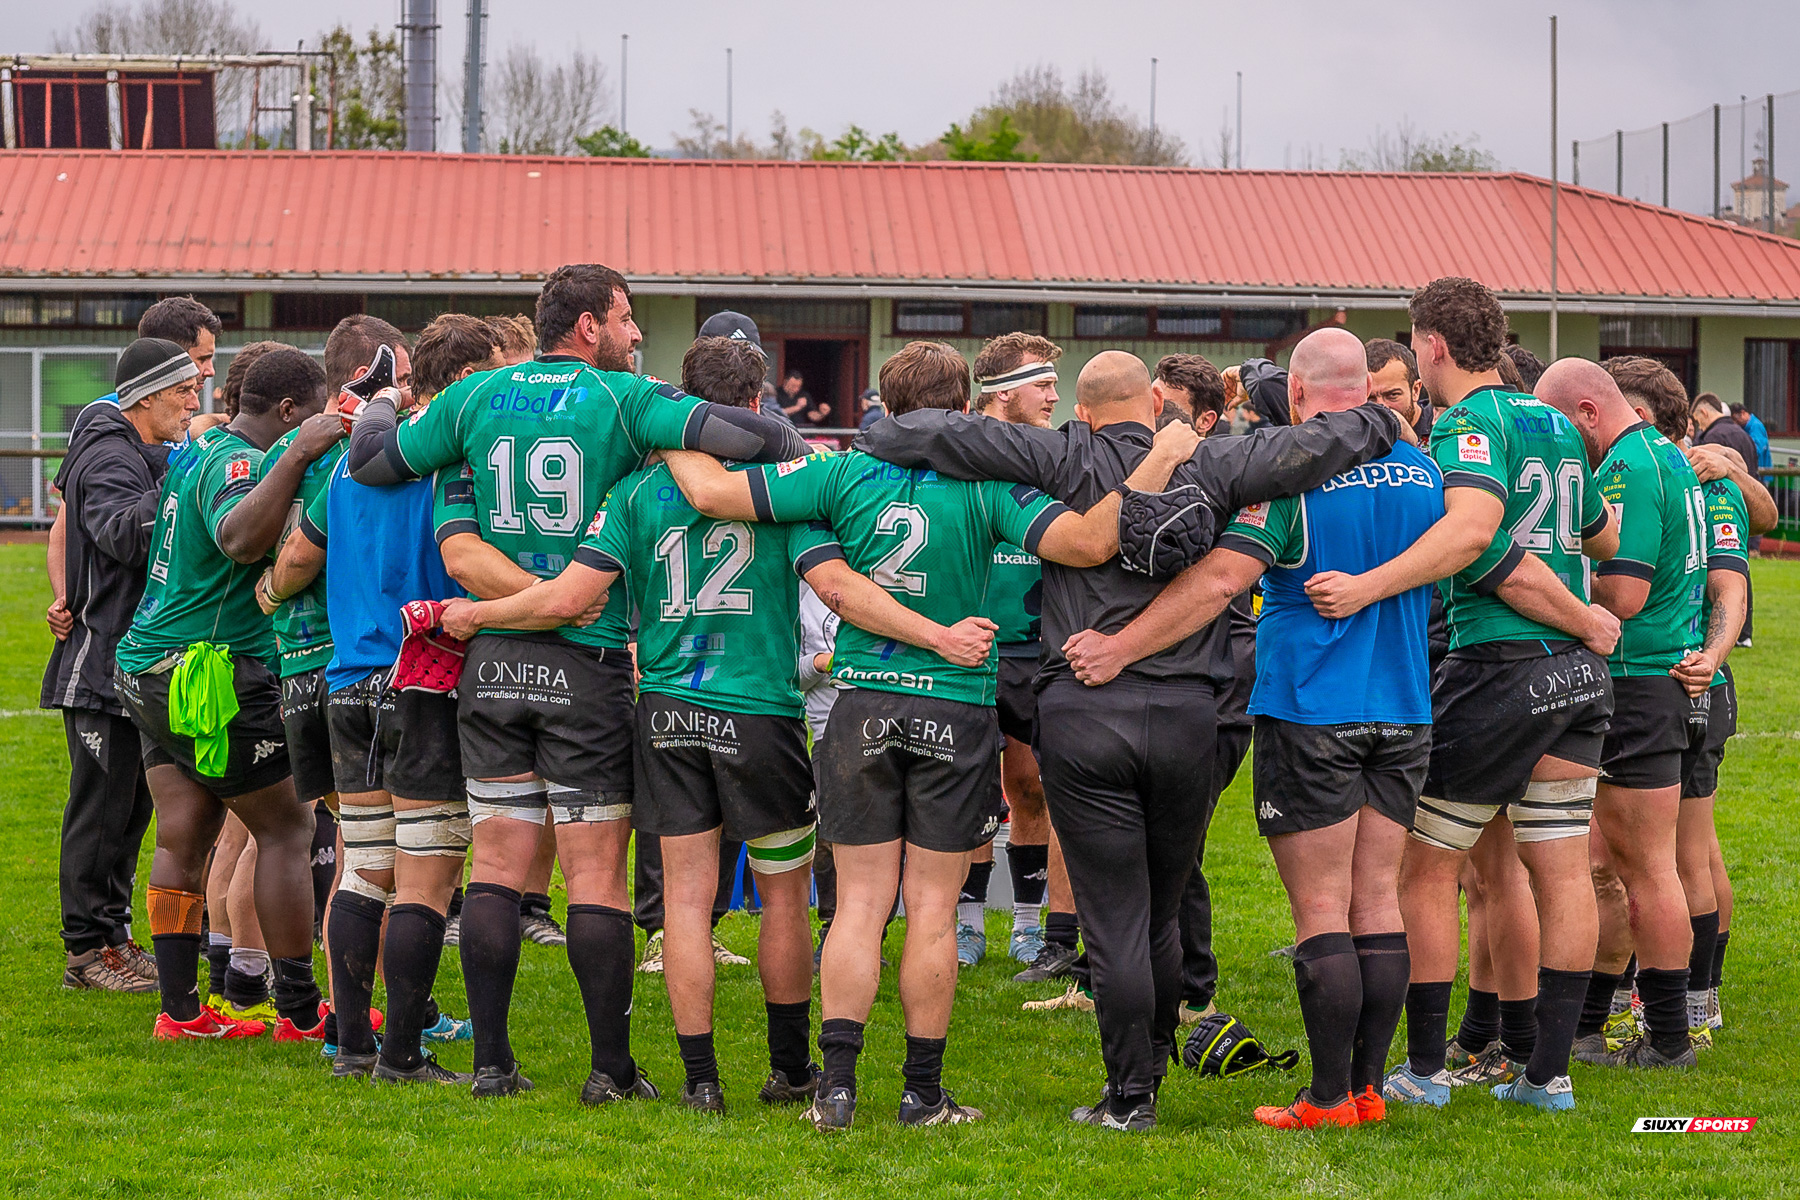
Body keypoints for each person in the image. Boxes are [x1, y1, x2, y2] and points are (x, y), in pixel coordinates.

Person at [858, 347, 1406, 1131]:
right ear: (1154, 406)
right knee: (1159, 912)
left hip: (1085, 709)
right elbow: (1309, 445)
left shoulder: (1056, 453)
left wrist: (879, 432)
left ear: (1082, 412)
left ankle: (1130, 1096)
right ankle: (1152, 1067)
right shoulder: (1211, 459)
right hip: (1186, 711)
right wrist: (1383, 417)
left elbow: (937, 432)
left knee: (1113, 917)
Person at [660, 340, 1199, 1131]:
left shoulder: (837, 472)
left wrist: (658, 417)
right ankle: (922, 1094)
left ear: (886, 403)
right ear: (963, 410)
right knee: (934, 909)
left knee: (858, 905)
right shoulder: (990, 482)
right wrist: (1159, 459)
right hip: (955, 704)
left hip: (861, 703)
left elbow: (714, 497)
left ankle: (837, 1087)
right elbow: (1091, 542)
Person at [442, 334, 964, 1114]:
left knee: (685, 900)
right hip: (760, 712)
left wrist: (478, 614)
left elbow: (569, 596)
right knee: (783, 896)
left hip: (666, 710)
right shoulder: (786, 484)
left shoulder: (633, 492)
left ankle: (701, 1081)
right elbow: (832, 583)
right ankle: (790, 1069)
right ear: (754, 405)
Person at [345, 262, 805, 1102]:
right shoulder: (625, 398)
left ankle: (493, 1066)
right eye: (627, 319)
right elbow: (751, 437)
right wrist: (745, 439)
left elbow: (374, 461)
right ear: (589, 325)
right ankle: (610, 1070)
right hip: (586, 658)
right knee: (594, 877)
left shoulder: (476, 396)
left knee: (496, 865)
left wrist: (380, 397)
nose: (636, 335)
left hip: (493, 662)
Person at [1065, 328, 1444, 1130]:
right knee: (1379, 900)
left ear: (1298, 394)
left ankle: (1327, 1098)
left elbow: (1219, 583)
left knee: (1323, 911)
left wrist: (1121, 646)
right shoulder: (1425, 469)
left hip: (1312, 710)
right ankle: (1368, 1090)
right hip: (1406, 705)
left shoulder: (1293, 479)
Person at [1300, 278, 1622, 1114]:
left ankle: (1425, 1072)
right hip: (1577, 679)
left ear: (1431, 344)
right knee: (1559, 868)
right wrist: (1581, 607)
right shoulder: (1553, 420)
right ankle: (1546, 1077)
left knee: (1425, 869)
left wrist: (1369, 585)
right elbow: (1602, 535)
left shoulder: (1468, 422)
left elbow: (1475, 536)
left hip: (1501, 665)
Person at [268, 312, 498, 1081]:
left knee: (364, 866)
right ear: (462, 381)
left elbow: (301, 554)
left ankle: (352, 1047)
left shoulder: (347, 465)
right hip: (421, 677)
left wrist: (268, 593)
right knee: (426, 876)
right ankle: (401, 1053)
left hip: (346, 682)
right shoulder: (449, 461)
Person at [114, 346, 343, 1041]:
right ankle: (300, 1011)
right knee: (287, 829)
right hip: (206, 674)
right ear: (289, 412)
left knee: (183, 832)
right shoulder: (238, 462)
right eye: (311, 417)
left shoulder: (200, 449)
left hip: (147, 666)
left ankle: (182, 1012)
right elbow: (239, 538)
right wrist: (298, 455)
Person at [1529, 357, 1705, 1070]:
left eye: (1563, 427)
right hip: (1655, 679)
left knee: (1647, 870)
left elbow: (1625, 595)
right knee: (1614, 865)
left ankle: (1667, 1040)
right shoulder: (1668, 453)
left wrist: (1551, 578)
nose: (1562, 445)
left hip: (1638, 680)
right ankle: (1591, 1025)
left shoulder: (1629, 466)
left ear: (1588, 413)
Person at [1600, 357, 1749, 1052]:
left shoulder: (1686, 478)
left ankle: (1689, 1007)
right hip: (1680, 679)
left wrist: (1712, 657)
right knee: (1668, 856)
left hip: (1677, 681)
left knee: (1681, 857)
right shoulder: (1682, 473)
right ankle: (1671, 1005)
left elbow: (1729, 583)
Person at [44, 338, 202, 991]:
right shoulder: (109, 453)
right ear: (145, 396)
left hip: (127, 663)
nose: (195, 399)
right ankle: (86, 954)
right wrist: (187, 475)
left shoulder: (134, 448)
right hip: (98, 665)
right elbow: (126, 534)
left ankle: (113, 938)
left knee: (130, 814)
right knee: (100, 814)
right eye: (184, 389)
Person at [961, 332, 1064, 969]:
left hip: (1033, 648)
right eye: (1041, 383)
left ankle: (1028, 924)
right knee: (970, 792)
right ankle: (967, 924)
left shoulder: (1055, 455)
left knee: (1031, 787)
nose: (1054, 394)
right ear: (1001, 393)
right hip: (965, 643)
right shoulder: (960, 448)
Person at [46, 297, 224, 645]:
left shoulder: (175, 417)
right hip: (116, 622)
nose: (210, 370)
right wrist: (66, 601)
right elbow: (67, 524)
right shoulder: (106, 418)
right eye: (202, 358)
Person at [1727, 402, 1773, 472]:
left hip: (1760, 470)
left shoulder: (1755, 427)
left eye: (1735, 419)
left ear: (1742, 413)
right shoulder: (1745, 427)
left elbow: (1757, 450)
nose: (1735, 423)